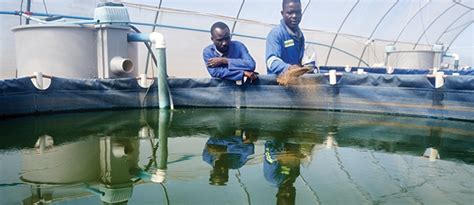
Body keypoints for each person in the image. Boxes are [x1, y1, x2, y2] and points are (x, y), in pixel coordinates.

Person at [266, 0, 314, 85]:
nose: (294, 16)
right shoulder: (276, 33)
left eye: (298, 12)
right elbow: (271, 61)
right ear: (282, 13)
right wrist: (289, 68)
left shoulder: (300, 36)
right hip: (278, 87)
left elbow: (300, 60)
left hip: (294, 84)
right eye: (290, 13)